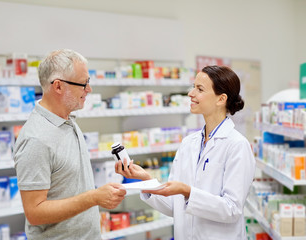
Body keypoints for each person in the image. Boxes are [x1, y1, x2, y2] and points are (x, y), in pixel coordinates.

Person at [115, 65, 256, 239]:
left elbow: (232, 209)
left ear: (221, 99)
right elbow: (174, 206)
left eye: (200, 89)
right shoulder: (189, 143)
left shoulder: (237, 145)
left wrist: (188, 192)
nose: (191, 93)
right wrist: (146, 179)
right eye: (193, 87)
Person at [13, 49, 126, 240]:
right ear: (58, 86)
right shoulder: (36, 139)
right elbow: (35, 213)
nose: (88, 89)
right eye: (83, 84)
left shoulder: (68, 121)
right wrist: (93, 198)